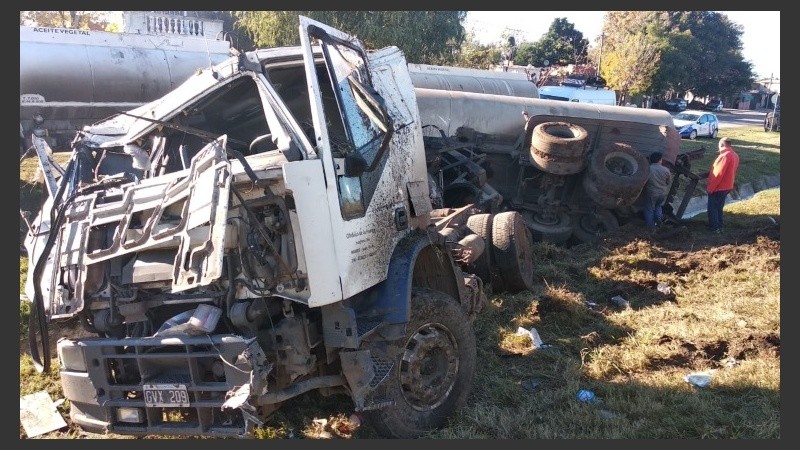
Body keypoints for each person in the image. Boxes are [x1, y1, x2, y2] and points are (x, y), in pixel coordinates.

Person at [706, 137, 740, 233]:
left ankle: (714, 228)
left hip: (719, 187)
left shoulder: (724, 156)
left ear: (721, 145)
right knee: (719, 207)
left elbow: (718, 174)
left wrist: (710, 188)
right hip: (728, 186)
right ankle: (720, 225)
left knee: (712, 208)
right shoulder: (735, 155)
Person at [643, 152, 672, 231]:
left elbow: (644, 182)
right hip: (662, 193)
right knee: (658, 206)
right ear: (660, 160)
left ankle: (651, 227)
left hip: (652, 193)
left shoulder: (648, 169)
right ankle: (659, 221)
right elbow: (668, 182)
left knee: (649, 209)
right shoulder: (666, 170)